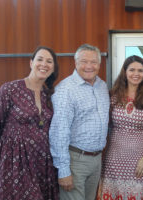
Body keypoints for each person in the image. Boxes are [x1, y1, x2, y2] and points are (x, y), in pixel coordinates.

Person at [0, 46, 59, 199]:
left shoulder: (50, 95)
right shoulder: (10, 89)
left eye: (49, 61)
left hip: (43, 161)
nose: (44, 64)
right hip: (15, 161)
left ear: (53, 68)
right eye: (40, 59)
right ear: (31, 63)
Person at [49, 44, 110, 200]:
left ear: (99, 64)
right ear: (75, 63)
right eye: (84, 61)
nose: (89, 66)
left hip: (96, 160)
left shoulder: (102, 86)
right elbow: (59, 132)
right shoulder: (65, 90)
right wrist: (63, 171)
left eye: (94, 62)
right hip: (75, 161)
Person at [97, 55, 143, 200]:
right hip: (114, 157)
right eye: (132, 70)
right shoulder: (112, 96)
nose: (136, 74)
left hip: (140, 158)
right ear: (125, 72)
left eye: (140, 70)